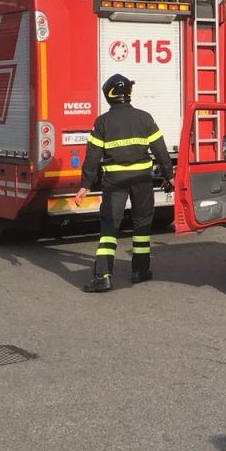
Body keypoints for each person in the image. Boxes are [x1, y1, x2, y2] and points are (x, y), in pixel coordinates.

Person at [75, 73, 173, 293]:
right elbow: (161, 151)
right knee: (142, 225)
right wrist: (170, 175)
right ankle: (140, 271)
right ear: (127, 94)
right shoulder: (145, 118)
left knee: (109, 226)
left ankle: (103, 276)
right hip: (142, 181)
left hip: (114, 183)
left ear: (109, 95)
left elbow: (92, 157)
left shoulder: (102, 122)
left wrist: (85, 185)